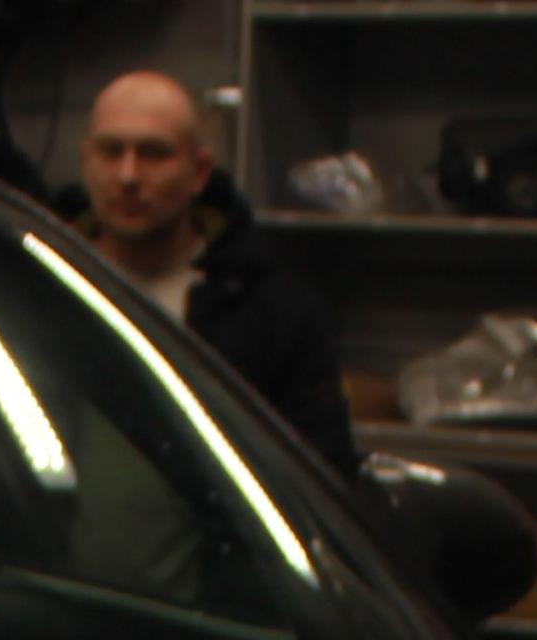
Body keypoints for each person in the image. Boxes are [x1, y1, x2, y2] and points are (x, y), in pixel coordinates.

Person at [65, 70, 356, 471]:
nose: (128, 175)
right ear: (85, 162)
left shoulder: (271, 311)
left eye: (153, 154)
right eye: (111, 151)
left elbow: (323, 468)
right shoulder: (35, 283)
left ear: (199, 172)